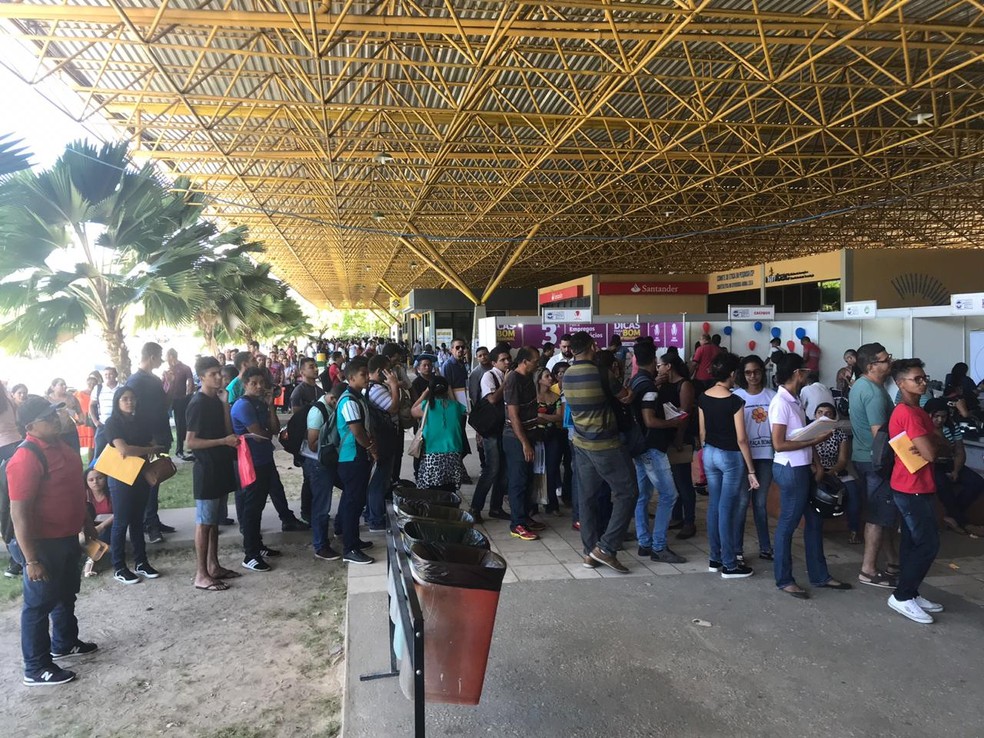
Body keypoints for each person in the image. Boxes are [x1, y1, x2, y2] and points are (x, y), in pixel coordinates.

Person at [8, 395, 100, 686]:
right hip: (41, 543)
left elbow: (74, 490)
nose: (56, 419)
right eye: (49, 417)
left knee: (65, 594)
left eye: (56, 414)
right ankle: (35, 668)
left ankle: (64, 643)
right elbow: (19, 515)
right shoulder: (25, 458)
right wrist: (31, 560)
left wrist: (86, 521)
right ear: (31, 425)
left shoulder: (62, 447)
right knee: (38, 606)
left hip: (66, 537)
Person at [769, 354, 851, 598]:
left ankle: (820, 575)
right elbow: (779, 444)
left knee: (814, 522)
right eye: (805, 371)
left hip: (802, 467)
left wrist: (816, 463)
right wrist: (816, 440)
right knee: (787, 524)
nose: (807, 375)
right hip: (789, 469)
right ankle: (784, 579)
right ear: (797, 373)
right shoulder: (781, 403)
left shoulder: (794, 399)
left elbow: (803, 435)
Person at [564, 332, 639, 573]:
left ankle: (589, 552)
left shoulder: (567, 374)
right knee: (627, 492)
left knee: (586, 498)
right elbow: (625, 398)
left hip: (581, 443)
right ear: (592, 346)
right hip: (606, 445)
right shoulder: (601, 372)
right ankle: (606, 548)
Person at [887, 359, 943, 623]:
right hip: (911, 487)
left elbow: (936, 442)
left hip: (919, 484)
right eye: (916, 379)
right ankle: (902, 595)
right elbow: (932, 452)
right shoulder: (907, 413)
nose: (923, 383)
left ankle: (910, 591)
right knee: (928, 543)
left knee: (912, 542)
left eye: (924, 378)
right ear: (901, 383)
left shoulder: (917, 411)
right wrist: (932, 442)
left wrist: (931, 442)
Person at [698, 352, 757, 579]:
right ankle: (730, 565)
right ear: (732, 374)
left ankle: (715, 558)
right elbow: (742, 439)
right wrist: (751, 469)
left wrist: (708, 451)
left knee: (714, 505)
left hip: (709, 453)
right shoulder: (735, 401)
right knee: (726, 508)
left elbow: (702, 432)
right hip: (730, 457)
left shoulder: (703, 396)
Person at [185, 357, 240, 590]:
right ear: (202, 377)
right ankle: (201, 574)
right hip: (206, 468)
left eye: (220, 373)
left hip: (220, 465)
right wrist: (222, 441)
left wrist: (226, 404)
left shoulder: (216, 401)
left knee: (214, 522)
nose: (219, 377)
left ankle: (213, 566)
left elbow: (228, 431)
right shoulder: (197, 403)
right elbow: (191, 442)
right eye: (214, 374)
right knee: (204, 523)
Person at [630, 341, 687, 563]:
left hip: (638, 446)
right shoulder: (649, 387)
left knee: (642, 496)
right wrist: (673, 423)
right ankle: (659, 546)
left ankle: (644, 542)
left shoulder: (636, 381)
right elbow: (650, 420)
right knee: (669, 495)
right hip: (652, 446)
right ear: (654, 360)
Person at [848, 342, 899, 589]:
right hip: (876, 461)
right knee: (878, 516)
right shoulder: (873, 393)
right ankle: (868, 570)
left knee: (883, 513)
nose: (889, 362)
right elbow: (880, 435)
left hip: (865, 457)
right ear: (871, 366)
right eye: (885, 359)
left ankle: (892, 562)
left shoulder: (860, 385)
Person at [103, 386, 164, 585]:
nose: (130, 402)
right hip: (120, 477)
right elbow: (124, 449)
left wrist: (146, 448)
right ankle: (119, 566)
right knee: (121, 521)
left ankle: (141, 561)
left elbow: (151, 440)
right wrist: (149, 448)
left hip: (141, 474)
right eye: (125, 399)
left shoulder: (140, 420)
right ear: (117, 402)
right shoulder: (112, 422)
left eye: (132, 398)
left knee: (138, 520)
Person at [231, 368, 287, 573]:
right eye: (253, 382)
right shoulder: (243, 405)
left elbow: (272, 430)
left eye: (261, 382)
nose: (259, 386)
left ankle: (257, 545)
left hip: (264, 459)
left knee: (259, 505)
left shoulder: (260, 403)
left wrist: (271, 407)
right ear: (245, 384)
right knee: (251, 507)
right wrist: (263, 433)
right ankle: (250, 554)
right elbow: (259, 433)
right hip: (251, 462)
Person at [125, 342, 174, 543]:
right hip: (149, 439)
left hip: (161, 436)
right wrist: (147, 439)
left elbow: (165, 405)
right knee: (149, 479)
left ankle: (153, 518)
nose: (162, 360)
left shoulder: (154, 379)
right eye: (160, 356)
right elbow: (133, 412)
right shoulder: (136, 381)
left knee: (158, 476)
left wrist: (169, 384)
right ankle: (149, 523)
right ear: (152, 357)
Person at [732, 354, 776, 562]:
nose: (753, 376)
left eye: (756, 371)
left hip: (766, 456)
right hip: (742, 457)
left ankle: (765, 547)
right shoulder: (736, 396)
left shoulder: (772, 396)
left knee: (760, 504)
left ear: (762, 372)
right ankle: (737, 549)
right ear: (742, 374)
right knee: (742, 502)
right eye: (748, 372)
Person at [501, 347, 546, 541]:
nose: (538, 363)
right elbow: (513, 415)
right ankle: (517, 523)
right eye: (535, 360)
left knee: (528, 478)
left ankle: (525, 516)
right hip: (515, 438)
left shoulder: (529, 378)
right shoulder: (513, 379)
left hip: (530, 435)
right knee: (518, 480)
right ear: (525, 361)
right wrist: (525, 443)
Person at [335, 357, 376, 565]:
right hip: (352, 458)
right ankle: (349, 548)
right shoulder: (349, 400)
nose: (367, 378)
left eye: (367, 374)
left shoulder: (356, 397)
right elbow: (357, 431)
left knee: (354, 500)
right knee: (353, 502)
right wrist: (371, 448)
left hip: (357, 457)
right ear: (351, 378)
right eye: (363, 375)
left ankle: (351, 538)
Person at [925, 398, 984, 537]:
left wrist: (956, 470)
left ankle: (951, 515)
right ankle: (964, 523)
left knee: (977, 482)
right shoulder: (923, 427)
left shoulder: (952, 426)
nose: (940, 420)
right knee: (942, 484)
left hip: (951, 462)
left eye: (943, 416)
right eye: (936, 416)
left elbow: (959, 451)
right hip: (932, 464)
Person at [813, 403, 863, 543]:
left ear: (834, 417)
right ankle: (816, 530)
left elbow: (842, 460)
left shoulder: (839, 434)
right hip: (815, 471)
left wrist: (832, 472)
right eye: (820, 412)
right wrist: (819, 472)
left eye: (828, 413)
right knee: (820, 494)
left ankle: (853, 531)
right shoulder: (809, 433)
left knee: (853, 492)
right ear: (814, 415)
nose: (823, 416)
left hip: (836, 471)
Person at [469, 348, 509, 522]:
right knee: (491, 469)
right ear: (494, 363)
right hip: (491, 430)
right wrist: (506, 383)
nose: (507, 362)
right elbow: (492, 399)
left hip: (504, 428)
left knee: (503, 470)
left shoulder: (507, 375)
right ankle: (475, 507)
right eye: (503, 360)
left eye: (508, 359)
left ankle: (496, 507)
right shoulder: (489, 376)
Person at [663, 353, 698, 540]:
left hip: (681, 438)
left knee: (683, 481)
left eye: (661, 365)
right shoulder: (665, 384)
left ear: (669, 366)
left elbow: (684, 415)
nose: (659, 368)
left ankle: (689, 521)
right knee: (673, 480)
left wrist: (679, 438)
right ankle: (677, 516)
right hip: (668, 436)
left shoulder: (684, 385)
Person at [364, 355, 401, 532]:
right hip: (383, 438)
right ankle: (376, 519)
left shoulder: (372, 388)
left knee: (379, 478)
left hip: (381, 437)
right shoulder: (376, 389)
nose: (391, 372)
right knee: (379, 479)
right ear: (380, 371)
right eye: (388, 369)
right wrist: (394, 386)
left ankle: (373, 515)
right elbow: (393, 407)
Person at [412, 375, 467, 490]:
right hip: (453, 454)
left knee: (432, 492)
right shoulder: (456, 407)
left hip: (431, 455)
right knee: (450, 489)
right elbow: (457, 405)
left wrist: (425, 392)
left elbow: (412, 410)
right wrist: (449, 390)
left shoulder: (426, 406)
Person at [1, 384, 25, 579]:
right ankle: (17, 558)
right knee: (15, 503)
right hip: (15, 445)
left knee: (8, 507)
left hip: (5, 449)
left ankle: (16, 560)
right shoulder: (7, 396)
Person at [535, 366, 564, 515]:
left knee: (552, 469)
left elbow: (560, 416)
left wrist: (543, 417)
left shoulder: (556, 397)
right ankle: (533, 503)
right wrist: (549, 418)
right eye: (546, 376)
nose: (550, 379)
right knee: (536, 470)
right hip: (536, 437)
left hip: (553, 436)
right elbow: (532, 416)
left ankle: (552, 504)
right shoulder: (533, 397)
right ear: (539, 379)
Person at [81, 469, 112, 577]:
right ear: (86, 482)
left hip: (108, 525)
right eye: (91, 479)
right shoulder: (84, 495)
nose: (95, 482)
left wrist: (101, 526)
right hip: (90, 525)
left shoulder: (112, 492)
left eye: (99, 478)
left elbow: (119, 514)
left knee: (104, 534)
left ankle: (89, 563)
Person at [89, 366, 119, 464]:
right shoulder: (98, 388)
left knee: (117, 452)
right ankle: (95, 475)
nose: (108, 376)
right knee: (99, 454)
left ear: (115, 375)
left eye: (110, 374)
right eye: (106, 374)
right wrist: (95, 421)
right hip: (103, 426)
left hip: (118, 425)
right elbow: (91, 406)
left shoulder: (122, 387)